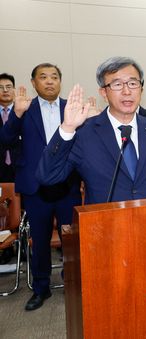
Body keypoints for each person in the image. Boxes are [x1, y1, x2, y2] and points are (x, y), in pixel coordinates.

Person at [36, 56, 146, 205]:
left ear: (141, 89)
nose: (127, 91)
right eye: (117, 84)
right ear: (104, 93)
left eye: (133, 83)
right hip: (105, 224)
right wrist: (67, 128)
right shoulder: (84, 133)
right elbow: (47, 177)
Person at [1, 63, 82, 311]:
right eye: (43, 77)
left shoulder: (72, 108)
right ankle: (40, 288)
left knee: (72, 240)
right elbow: (5, 140)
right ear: (34, 82)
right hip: (35, 188)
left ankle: (73, 283)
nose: (49, 81)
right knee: (40, 239)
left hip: (67, 186)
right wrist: (16, 114)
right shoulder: (24, 109)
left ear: (60, 82)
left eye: (55, 77)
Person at [0, 73, 19, 183]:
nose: (5, 90)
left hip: (21, 168)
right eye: (1, 88)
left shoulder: (25, 112)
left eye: (8, 87)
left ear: (14, 90)